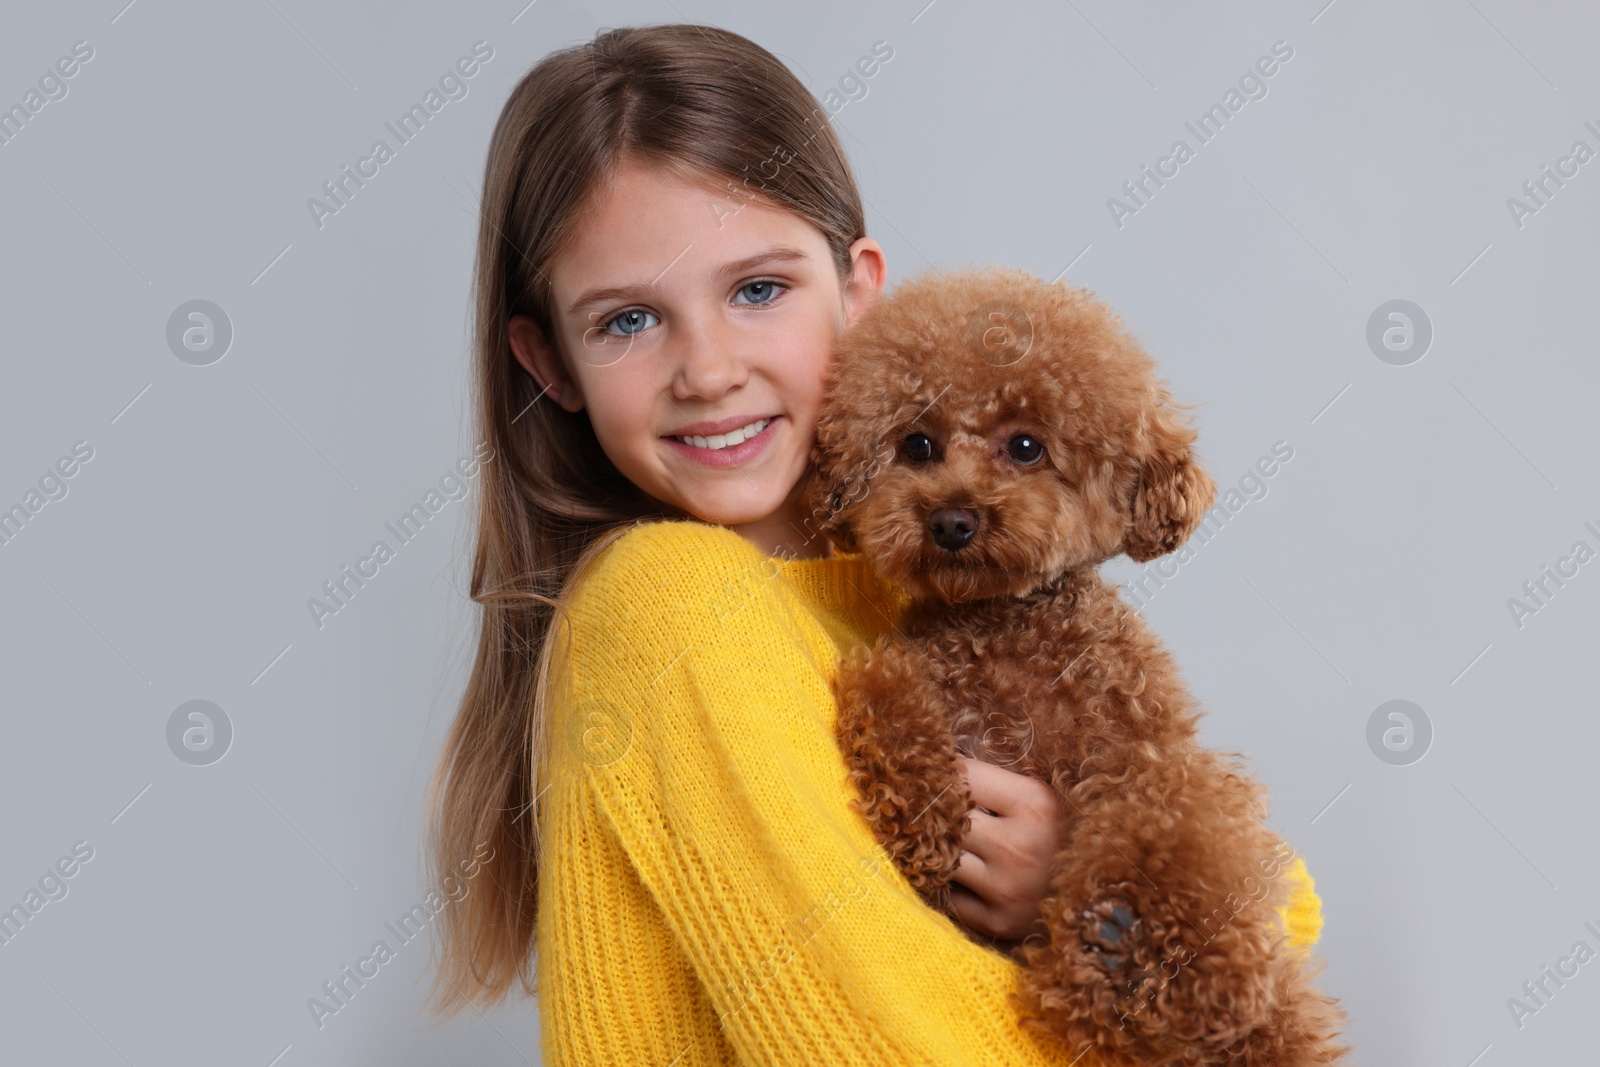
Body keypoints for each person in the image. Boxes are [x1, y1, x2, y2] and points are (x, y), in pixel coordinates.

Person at [425, 23, 1324, 1066]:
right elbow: (875, 1043)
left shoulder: (926, 594)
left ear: (858, 288)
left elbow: (1287, 900)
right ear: (551, 362)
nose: (707, 370)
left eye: (756, 289)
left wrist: (1074, 868)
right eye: (629, 320)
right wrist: (1120, 914)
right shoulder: (667, 602)